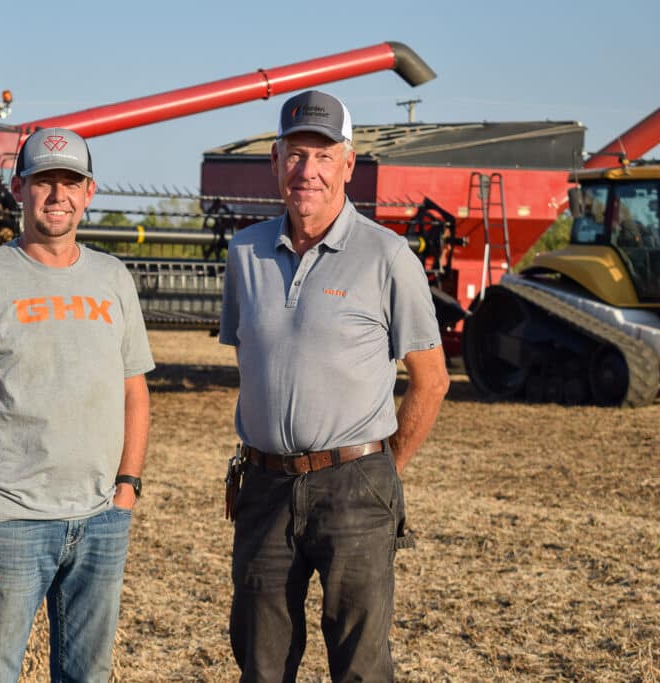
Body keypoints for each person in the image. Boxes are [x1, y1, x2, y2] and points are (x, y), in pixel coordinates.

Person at [219, 91, 450, 682]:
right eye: (296, 155)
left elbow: (431, 380)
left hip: (355, 485)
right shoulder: (244, 252)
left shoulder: (388, 255)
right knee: (260, 662)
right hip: (264, 486)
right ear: (275, 161)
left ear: (349, 164)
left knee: (360, 666)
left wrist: (382, 470)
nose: (308, 172)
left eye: (323, 156)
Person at [0, 127, 154, 682]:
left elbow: (134, 391)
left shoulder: (113, 277)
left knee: (87, 677)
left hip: (100, 519)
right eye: (45, 182)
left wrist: (126, 489)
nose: (58, 195)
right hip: (8, 523)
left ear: (89, 191)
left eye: (70, 183)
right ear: (18, 187)